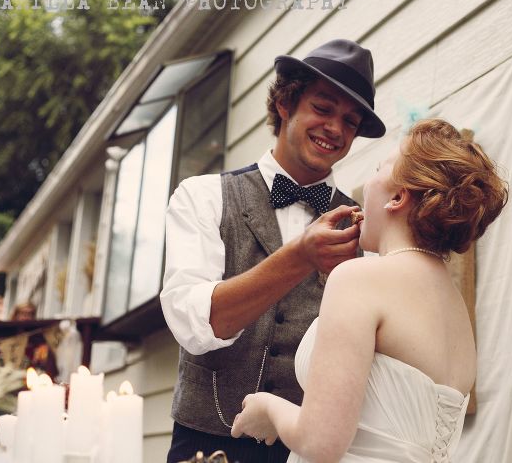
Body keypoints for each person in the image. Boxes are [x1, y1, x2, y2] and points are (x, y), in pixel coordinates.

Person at [161, 39, 386, 463]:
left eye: (350, 121)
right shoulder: (202, 196)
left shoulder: (368, 227)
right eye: (322, 108)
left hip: (308, 451)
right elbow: (195, 323)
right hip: (206, 445)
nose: (335, 129)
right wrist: (300, 257)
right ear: (284, 103)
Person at [231, 119, 508, 462]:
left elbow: (321, 443)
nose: (368, 184)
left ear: (397, 197)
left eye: (378, 169)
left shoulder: (358, 279)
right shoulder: (456, 308)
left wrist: (268, 408)